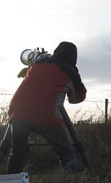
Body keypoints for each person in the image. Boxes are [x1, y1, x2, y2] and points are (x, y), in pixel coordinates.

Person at [7, 41, 87, 174]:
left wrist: (30, 70)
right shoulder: (71, 72)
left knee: (17, 153)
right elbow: (78, 97)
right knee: (66, 152)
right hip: (46, 115)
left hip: (18, 111)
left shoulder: (39, 61)